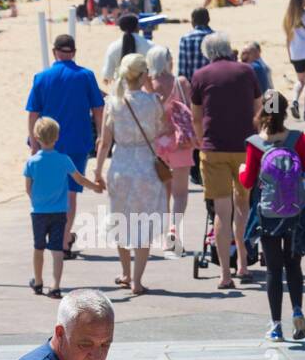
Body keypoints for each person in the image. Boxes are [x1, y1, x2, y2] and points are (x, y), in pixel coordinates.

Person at [240, 89, 305, 341]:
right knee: (293, 264)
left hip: (268, 214)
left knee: (274, 270)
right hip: (296, 212)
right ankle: (297, 311)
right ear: (285, 111)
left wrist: (243, 169)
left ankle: (276, 325)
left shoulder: (255, 143)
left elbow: (248, 182)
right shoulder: (298, 139)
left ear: (263, 111)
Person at [26, 34, 106, 262]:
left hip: (46, 140)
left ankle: (50, 235)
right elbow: (98, 109)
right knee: (71, 192)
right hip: (78, 140)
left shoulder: (41, 77)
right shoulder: (85, 75)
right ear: (74, 52)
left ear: (54, 52)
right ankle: (62, 242)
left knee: (47, 188)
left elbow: (33, 112)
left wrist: (33, 142)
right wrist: (100, 135)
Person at [93, 53, 168, 296]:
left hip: (121, 167)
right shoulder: (153, 101)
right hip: (145, 166)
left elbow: (104, 142)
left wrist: (97, 170)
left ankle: (125, 272)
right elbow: (160, 129)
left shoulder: (113, 103)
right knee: (143, 224)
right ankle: (137, 279)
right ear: (144, 74)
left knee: (121, 221)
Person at [191, 32, 261, 288]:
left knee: (222, 211)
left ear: (208, 52)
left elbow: (196, 117)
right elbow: (259, 107)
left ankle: (225, 275)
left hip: (214, 148)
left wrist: (199, 141)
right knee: (242, 204)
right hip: (245, 148)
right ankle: (242, 263)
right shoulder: (246, 72)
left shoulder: (200, 76)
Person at [24, 117, 103, 299]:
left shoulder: (32, 162)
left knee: (38, 248)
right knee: (57, 250)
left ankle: (38, 281)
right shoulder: (64, 159)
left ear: (36, 137)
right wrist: (96, 187)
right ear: (57, 137)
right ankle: (55, 286)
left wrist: (36, 200)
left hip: (38, 212)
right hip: (60, 211)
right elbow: (79, 179)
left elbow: (28, 187)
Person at [145, 45, 196, 255]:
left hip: (158, 144)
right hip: (180, 142)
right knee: (181, 193)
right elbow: (192, 111)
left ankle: (166, 233)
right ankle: (174, 233)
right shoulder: (181, 83)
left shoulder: (149, 86)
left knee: (163, 191)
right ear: (167, 61)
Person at [99, 13, 153, 87]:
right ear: (137, 27)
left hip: (120, 90)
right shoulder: (149, 45)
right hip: (143, 89)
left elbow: (107, 76)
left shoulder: (113, 47)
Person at [178, 7, 214, 82]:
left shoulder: (186, 38)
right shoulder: (217, 37)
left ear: (193, 21)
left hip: (193, 86)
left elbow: (182, 70)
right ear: (208, 20)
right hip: (213, 85)